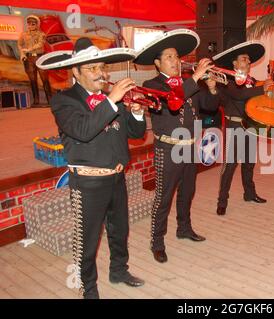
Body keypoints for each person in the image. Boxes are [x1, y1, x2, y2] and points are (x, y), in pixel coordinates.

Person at [37, 38, 146, 299]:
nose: (101, 74)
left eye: (102, 68)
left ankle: (119, 270)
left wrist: (138, 112)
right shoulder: (64, 101)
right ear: (75, 72)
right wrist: (112, 100)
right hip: (87, 184)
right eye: (93, 68)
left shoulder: (111, 99)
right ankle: (89, 290)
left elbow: (136, 132)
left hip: (117, 177)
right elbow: (83, 132)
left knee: (120, 231)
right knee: (87, 241)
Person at [134, 29, 220, 263]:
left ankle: (184, 228)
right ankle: (157, 241)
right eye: (169, 57)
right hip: (168, 149)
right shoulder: (152, 84)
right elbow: (172, 101)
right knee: (163, 198)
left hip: (191, 147)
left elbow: (210, 107)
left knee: (187, 193)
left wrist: (211, 86)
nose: (176, 61)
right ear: (157, 62)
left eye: (177, 57)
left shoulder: (189, 83)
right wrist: (195, 78)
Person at [212, 41, 274, 215]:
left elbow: (256, 102)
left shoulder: (253, 81)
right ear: (235, 63)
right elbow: (238, 95)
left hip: (251, 126)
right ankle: (222, 201)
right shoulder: (228, 80)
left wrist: (268, 93)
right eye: (244, 59)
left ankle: (250, 193)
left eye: (248, 60)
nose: (248, 62)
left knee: (249, 163)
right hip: (235, 126)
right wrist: (262, 89)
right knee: (230, 165)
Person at [17, 15, 52, 106]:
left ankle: (50, 100)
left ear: (37, 25)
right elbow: (20, 45)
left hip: (39, 57)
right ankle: (36, 101)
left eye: (33, 24)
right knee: (32, 80)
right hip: (29, 59)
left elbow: (40, 44)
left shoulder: (41, 34)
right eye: (29, 24)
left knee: (45, 80)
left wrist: (28, 49)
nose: (31, 25)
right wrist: (22, 54)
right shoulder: (23, 34)